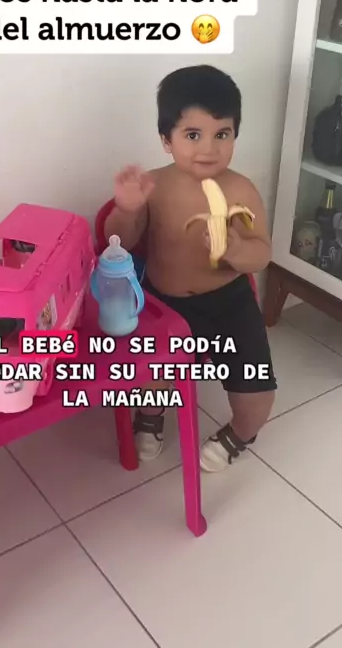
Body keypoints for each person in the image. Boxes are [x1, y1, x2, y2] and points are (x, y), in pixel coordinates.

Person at [104, 65, 276, 471]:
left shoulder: (241, 190)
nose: (209, 149)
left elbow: (262, 253)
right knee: (151, 379)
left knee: (258, 396)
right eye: (193, 135)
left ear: (235, 135)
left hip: (230, 305)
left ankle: (240, 433)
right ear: (167, 140)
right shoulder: (155, 186)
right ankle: (151, 415)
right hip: (165, 305)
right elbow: (118, 242)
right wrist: (127, 209)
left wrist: (237, 249)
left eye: (222, 134)